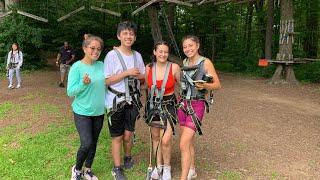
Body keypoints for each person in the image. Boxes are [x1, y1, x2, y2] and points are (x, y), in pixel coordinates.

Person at [104, 21, 145, 180]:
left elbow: (142, 75)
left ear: (134, 37)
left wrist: (139, 75)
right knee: (117, 136)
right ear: (119, 36)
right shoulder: (112, 55)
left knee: (128, 134)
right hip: (115, 101)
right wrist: (126, 73)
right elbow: (107, 80)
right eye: (125, 33)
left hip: (132, 100)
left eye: (131, 34)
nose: (128, 36)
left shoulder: (137, 55)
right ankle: (117, 167)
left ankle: (127, 157)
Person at [177, 35, 221, 180]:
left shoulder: (206, 62)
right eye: (185, 46)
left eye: (190, 45)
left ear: (197, 46)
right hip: (182, 104)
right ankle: (192, 169)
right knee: (188, 141)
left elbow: (217, 85)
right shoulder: (184, 62)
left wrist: (205, 85)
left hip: (197, 105)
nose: (187, 49)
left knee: (183, 144)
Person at [67, 35, 105, 180]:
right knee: (86, 143)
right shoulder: (77, 67)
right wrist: (83, 84)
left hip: (99, 111)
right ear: (85, 48)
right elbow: (70, 92)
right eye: (92, 48)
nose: (96, 51)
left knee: (93, 142)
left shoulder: (102, 65)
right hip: (82, 111)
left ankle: (87, 169)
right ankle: (76, 170)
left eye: (99, 49)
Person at [144, 41, 180, 180]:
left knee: (165, 139)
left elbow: (182, 84)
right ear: (154, 52)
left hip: (169, 104)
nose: (163, 54)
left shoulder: (174, 67)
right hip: (153, 105)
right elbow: (147, 85)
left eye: (165, 52)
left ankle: (167, 168)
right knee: (155, 137)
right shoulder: (149, 68)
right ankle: (158, 167)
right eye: (160, 51)